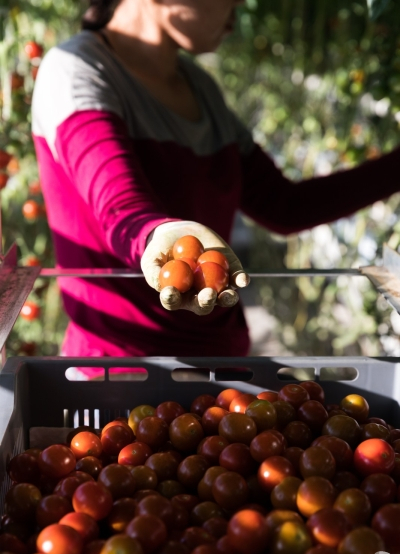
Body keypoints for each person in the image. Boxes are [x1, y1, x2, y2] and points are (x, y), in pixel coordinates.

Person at [32, 0, 400, 374]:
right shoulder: (76, 70)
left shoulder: (201, 87)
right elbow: (118, 205)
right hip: (123, 375)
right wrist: (157, 236)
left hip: (221, 367)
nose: (238, 10)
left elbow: (285, 205)